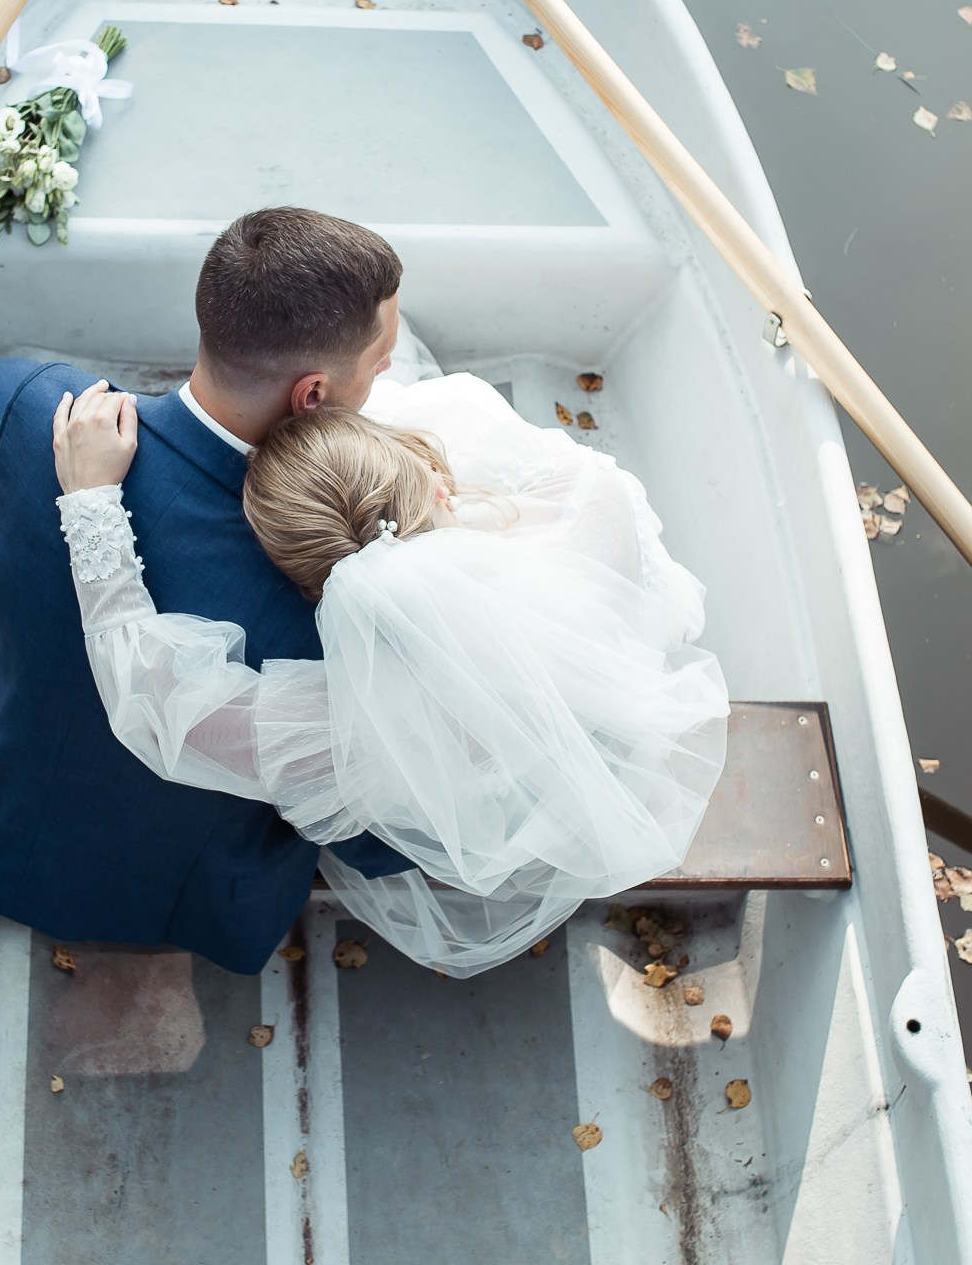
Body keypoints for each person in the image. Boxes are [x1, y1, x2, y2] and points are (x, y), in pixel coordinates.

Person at [49, 369, 732, 977]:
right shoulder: (586, 498)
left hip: (460, 810)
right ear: (435, 479)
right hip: (596, 762)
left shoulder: (340, 722)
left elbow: (151, 699)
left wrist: (90, 498)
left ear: (316, 588)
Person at [0, 207, 416, 975]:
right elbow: (369, 833)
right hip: (190, 890)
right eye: (379, 359)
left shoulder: (19, 401)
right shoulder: (338, 601)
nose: (387, 369)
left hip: (2, 800)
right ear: (312, 394)